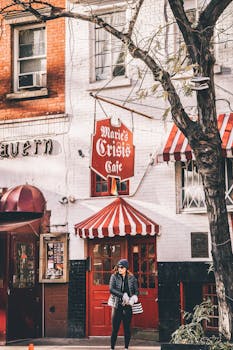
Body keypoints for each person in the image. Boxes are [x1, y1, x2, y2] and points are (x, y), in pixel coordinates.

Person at [109, 258, 139, 350]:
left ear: (126, 268)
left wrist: (133, 298)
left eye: (121, 267)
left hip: (128, 306)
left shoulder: (132, 278)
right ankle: (112, 347)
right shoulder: (114, 276)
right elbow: (111, 289)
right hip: (117, 305)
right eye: (118, 267)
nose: (119, 269)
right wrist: (123, 295)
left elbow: (136, 291)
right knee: (115, 329)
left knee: (127, 328)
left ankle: (126, 347)